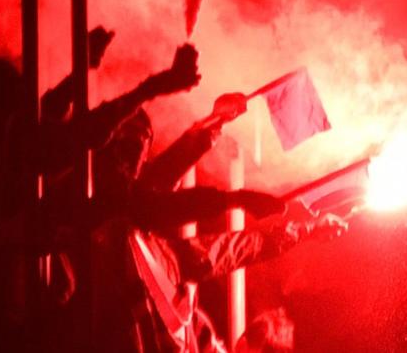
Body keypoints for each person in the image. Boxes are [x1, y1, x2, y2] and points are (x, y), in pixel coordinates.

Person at [0, 33, 200, 350]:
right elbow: (83, 133)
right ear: (11, 104)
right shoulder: (10, 140)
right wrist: (152, 87)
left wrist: (81, 71)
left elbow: (49, 114)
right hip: (15, 289)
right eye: (24, 96)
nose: (35, 103)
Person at [85, 99, 347, 353]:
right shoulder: (88, 223)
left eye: (139, 152)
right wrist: (234, 198)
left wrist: (302, 230)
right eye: (125, 150)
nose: (132, 164)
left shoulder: (160, 261)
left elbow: (227, 250)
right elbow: (147, 202)